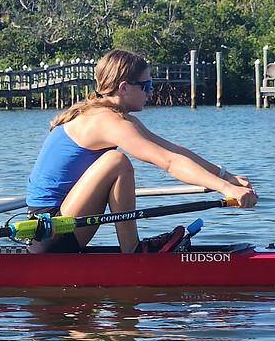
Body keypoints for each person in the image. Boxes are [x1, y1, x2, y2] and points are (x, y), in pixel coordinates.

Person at [25, 49, 257, 254]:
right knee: (116, 161)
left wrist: (226, 176)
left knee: (116, 160)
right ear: (124, 88)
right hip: (51, 231)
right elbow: (169, 164)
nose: (150, 92)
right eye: (146, 86)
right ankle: (133, 253)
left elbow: (173, 151)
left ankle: (133, 251)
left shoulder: (109, 115)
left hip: (55, 224)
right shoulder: (107, 122)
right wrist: (226, 190)